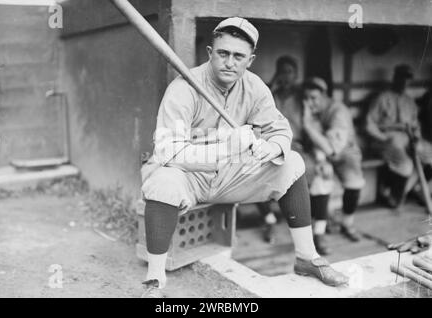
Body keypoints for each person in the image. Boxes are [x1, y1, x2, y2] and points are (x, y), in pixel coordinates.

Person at [139, 17, 348, 297]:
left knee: (292, 162)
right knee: (162, 181)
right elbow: (167, 151)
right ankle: (155, 280)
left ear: (250, 59)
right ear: (211, 53)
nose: (230, 62)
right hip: (187, 178)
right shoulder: (184, 87)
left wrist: (271, 147)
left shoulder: (255, 87)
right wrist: (227, 148)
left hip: (230, 178)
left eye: (239, 56)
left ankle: (306, 257)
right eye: (223, 53)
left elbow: (280, 129)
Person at [300, 77, 365, 255]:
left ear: (325, 95)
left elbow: (333, 149)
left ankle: (347, 223)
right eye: (306, 98)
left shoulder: (338, 111)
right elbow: (318, 145)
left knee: (354, 184)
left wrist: (307, 125)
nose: (309, 102)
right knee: (320, 176)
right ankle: (322, 226)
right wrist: (321, 159)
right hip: (324, 153)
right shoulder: (311, 110)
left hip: (345, 153)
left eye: (313, 97)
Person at [366, 64, 432, 209]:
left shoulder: (409, 101)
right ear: (395, 78)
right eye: (402, 78)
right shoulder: (382, 98)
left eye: (407, 79)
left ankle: (406, 190)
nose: (404, 82)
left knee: (429, 153)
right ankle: (395, 198)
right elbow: (369, 124)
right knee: (406, 164)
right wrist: (382, 137)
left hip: (406, 138)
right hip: (385, 139)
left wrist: (416, 136)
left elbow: (416, 125)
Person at [256, 55, 304, 243]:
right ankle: (269, 219)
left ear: (296, 75)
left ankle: (310, 225)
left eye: (289, 72)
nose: (285, 76)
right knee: (256, 169)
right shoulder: (270, 93)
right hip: (272, 143)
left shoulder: (302, 96)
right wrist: (274, 84)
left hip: (297, 144)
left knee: (307, 170)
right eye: (282, 71)